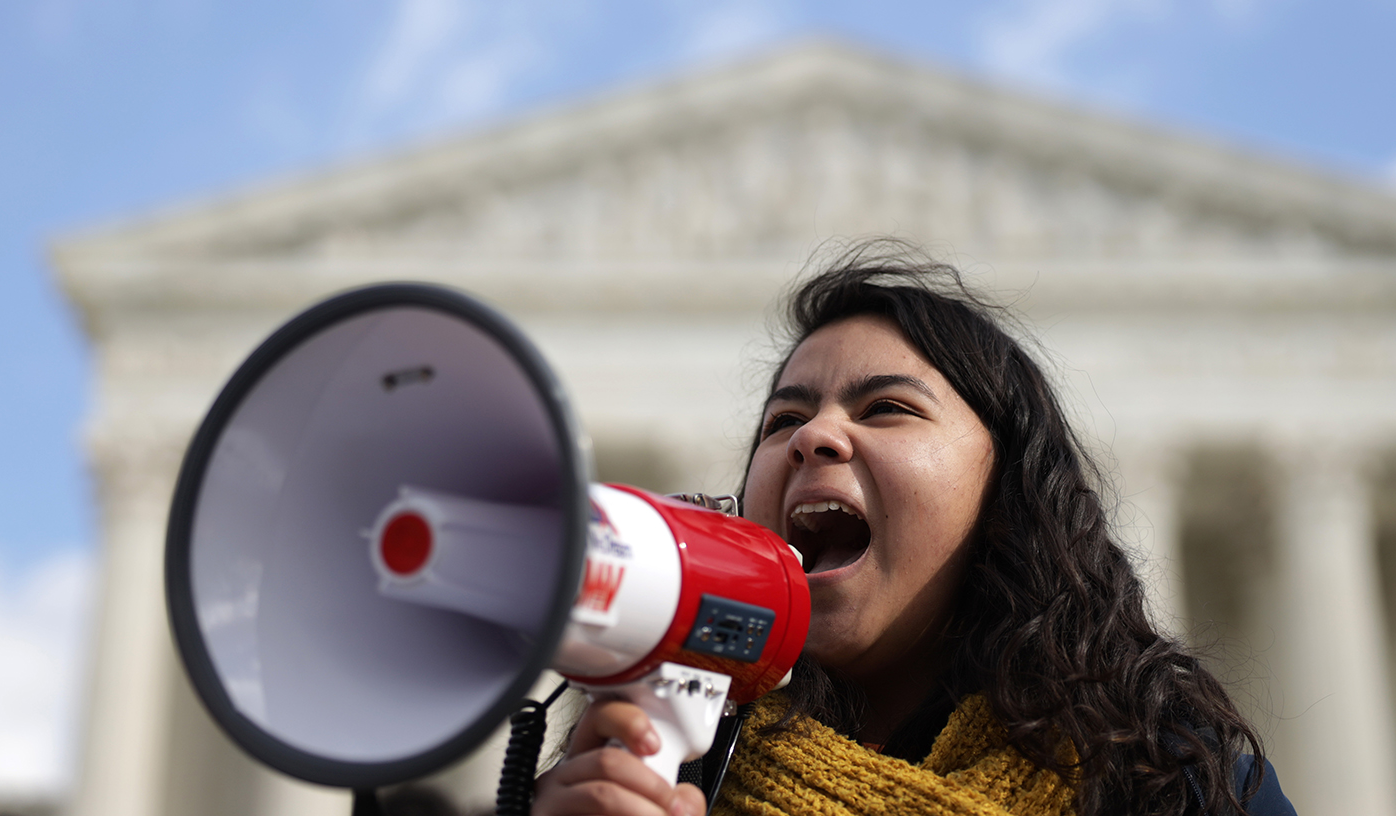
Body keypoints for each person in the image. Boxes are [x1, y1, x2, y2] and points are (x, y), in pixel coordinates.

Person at [533, 243, 1295, 816]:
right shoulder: (653, 775)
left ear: (1008, 497)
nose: (813, 438)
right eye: (784, 420)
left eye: (886, 409)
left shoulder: (1179, 785)